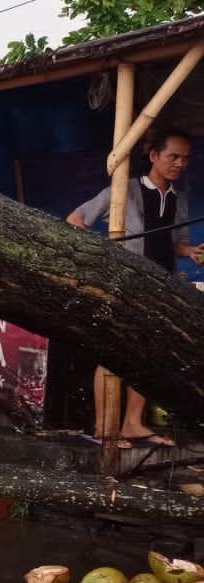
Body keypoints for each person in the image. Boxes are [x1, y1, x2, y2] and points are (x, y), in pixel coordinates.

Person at [68, 128, 201, 446]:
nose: (180, 164)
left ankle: (132, 423)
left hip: (161, 286)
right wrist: (104, 252)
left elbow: (176, 242)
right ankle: (104, 428)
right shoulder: (123, 190)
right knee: (113, 353)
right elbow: (75, 219)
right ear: (154, 156)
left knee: (149, 355)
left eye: (185, 158)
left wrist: (191, 252)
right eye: (173, 156)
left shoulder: (177, 199)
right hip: (124, 283)